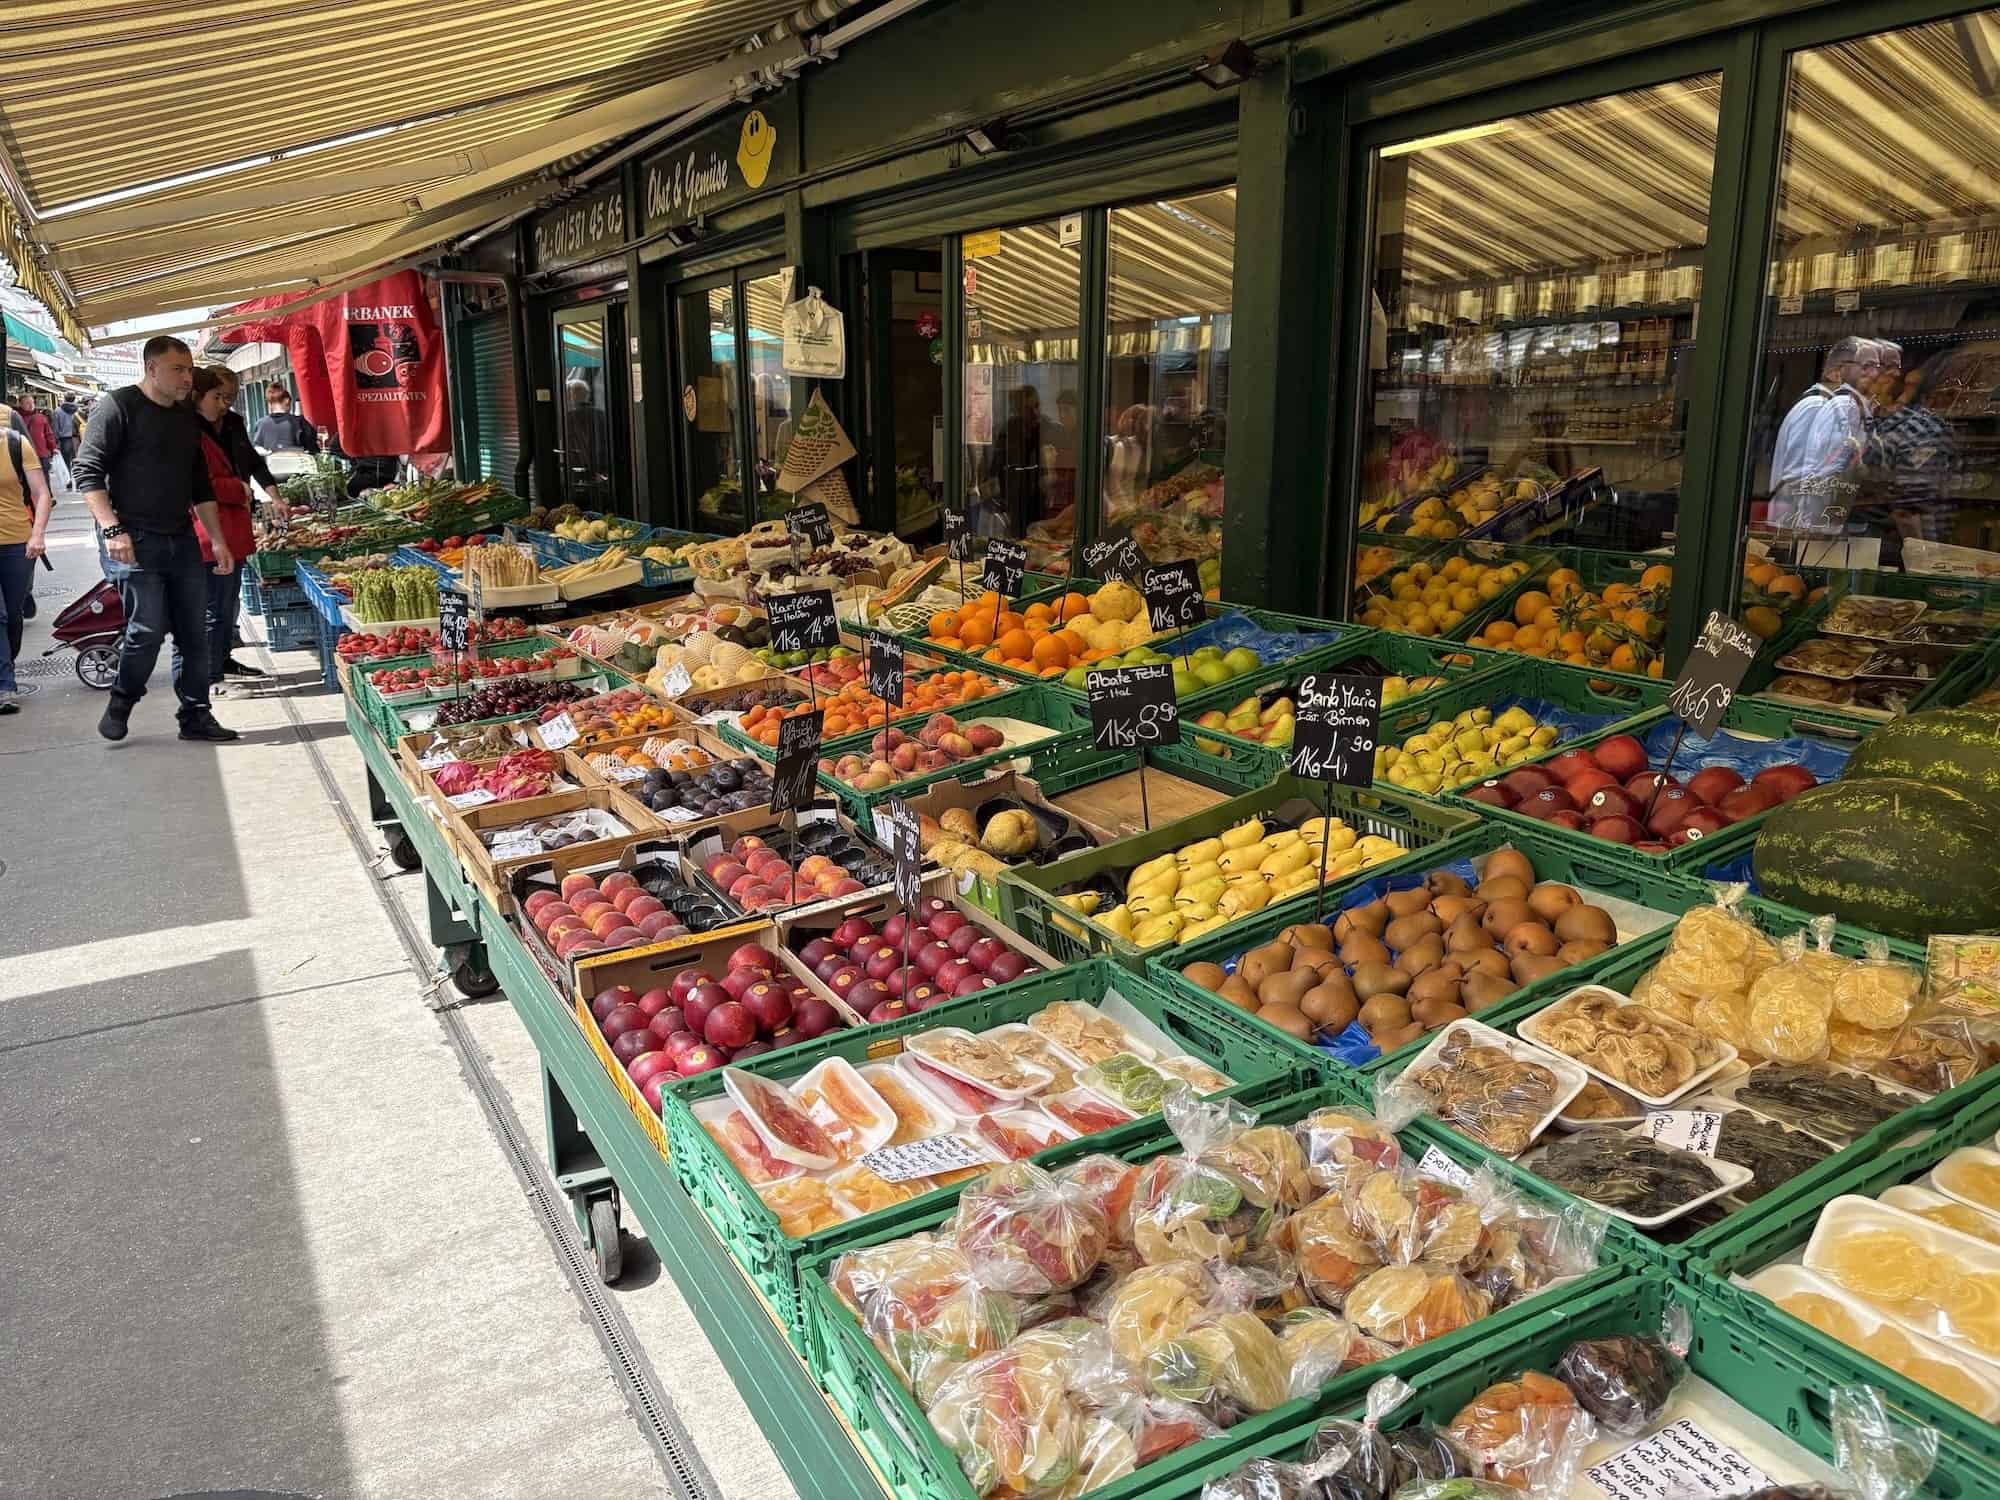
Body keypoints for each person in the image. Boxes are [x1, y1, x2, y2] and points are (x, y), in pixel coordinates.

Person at [72, 335, 239, 744]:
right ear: (151, 369)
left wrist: (217, 540)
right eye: (177, 370)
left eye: (188, 369)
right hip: (132, 538)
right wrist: (112, 529)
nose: (187, 378)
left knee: (193, 631)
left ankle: (196, 714)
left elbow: (199, 485)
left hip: (180, 536)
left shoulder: (185, 416)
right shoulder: (118, 406)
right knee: (146, 628)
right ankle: (122, 700)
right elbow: (87, 472)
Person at [184, 368, 262, 691]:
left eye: (228, 397)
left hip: (231, 531)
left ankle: (222, 661)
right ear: (198, 398)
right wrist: (239, 489)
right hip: (211, 534)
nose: (224, 403)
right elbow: (201, 486)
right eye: (218, 397)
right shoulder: (191, 434)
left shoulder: (227, 426)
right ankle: (212, 676)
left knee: (227, 606)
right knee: (215, 609)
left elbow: (252, 461)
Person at [1768, 335, 1877, 532]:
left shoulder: (1827, 405)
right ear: (1837, 373)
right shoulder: (1816, 406)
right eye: (1863, 370)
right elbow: (1797, 474)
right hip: (1797, 526)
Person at [0, 419, 53, 715]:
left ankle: (6, 664)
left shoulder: (15, 444)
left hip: (17, 542)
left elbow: (42, 493)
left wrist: (38, 534)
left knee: (13, 616)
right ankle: (4, 685)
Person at [252, 384, 317, 453]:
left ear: (269, 403)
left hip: (272, 463)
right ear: (287, 401)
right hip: (296, 462)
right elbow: (313, 447)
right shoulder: (299, 422)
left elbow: (257, 448)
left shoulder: (261, 423)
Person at [17, 393, 57, 480]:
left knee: (45, 479)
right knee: (27, 481)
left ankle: (47, 494)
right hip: (23, 455)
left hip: (41, 453)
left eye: (32, 402)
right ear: (20, 404)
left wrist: (53, 447)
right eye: (27, 403)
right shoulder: (16, 418)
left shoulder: (41, 417)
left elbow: (48, 434)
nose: (31, 405)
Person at [52, 395, 78, 477]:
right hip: (77, 439)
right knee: (77, 460)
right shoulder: (77, 410)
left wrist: (55, 440)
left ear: (64, 399)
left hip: (64, 439)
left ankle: (69, 479)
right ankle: (78, 480)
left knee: (66, 461)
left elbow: (55, 427)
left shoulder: (58, 411)